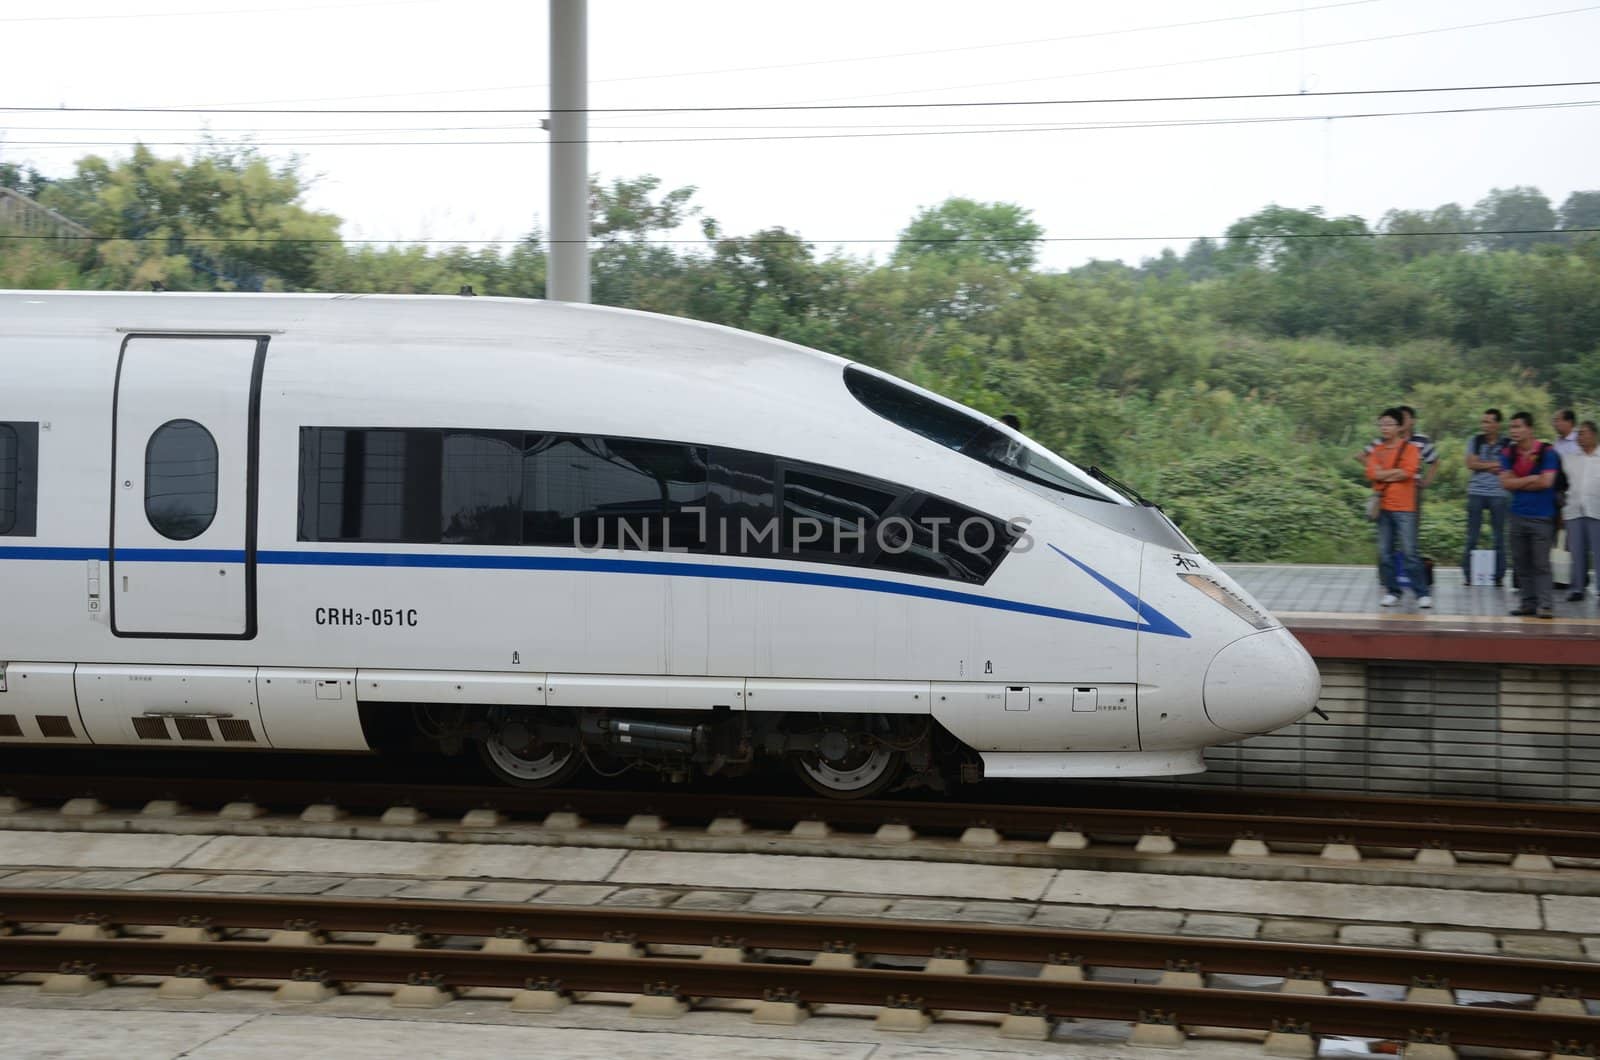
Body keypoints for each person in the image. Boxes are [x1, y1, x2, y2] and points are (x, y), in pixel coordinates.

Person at [1500, 411, 1561, 618]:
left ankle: (1545, 604)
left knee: (1541, 563)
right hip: (1517, 514)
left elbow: (1546, 482)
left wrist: (1519, 481)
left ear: (1530, 428)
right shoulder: (1508, 453)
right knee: (1521, 562)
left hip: (1542, 516)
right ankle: (1528, 603)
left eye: (1518, 426)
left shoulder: (1547, 452)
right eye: (1512, 427)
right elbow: (1505, 483)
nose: (1514, 431)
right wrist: (1531, 479)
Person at [1366, 408, 1429, 609]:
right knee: (1385, 552)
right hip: (1384, 507)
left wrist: (1384, 473)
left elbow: (1408, 473)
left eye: (1389, 423)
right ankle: (1393, 591)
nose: (1384, 427)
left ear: (1399, 426)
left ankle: (1422, 593)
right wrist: (1393, 473)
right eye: (1381, 423)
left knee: (1410, 552)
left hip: (1405, 508)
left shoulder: (1410, 449)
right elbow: (1371, 474)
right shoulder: (1377, 450)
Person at [1462, 409, 1511, 587]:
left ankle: (1498, 576)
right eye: (1483, 422)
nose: (1485, 425)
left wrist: (1482, 465)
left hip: (1499, 493)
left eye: (1489, 422)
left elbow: (1507, 465)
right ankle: (1468, 574)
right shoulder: (1475, 440)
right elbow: (1470, 463)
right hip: (1476, 492)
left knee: (1499, 536)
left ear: (1497, 424)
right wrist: (1492, 465)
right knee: (1471, 536)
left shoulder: (1507, 443)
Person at [1562, 420, 1600, 602]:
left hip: (1597, 511)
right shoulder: (1571, 459)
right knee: (1577, 551)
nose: (1579, 437)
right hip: (1574, 510)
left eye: (1583, 433)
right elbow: (1563, 484)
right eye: (1578, 434)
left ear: (1594, 435)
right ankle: (1577, 588)